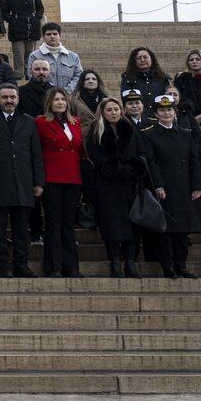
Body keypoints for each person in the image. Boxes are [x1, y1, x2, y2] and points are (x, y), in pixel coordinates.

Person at [138, 93, 201, 278]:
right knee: (165, 231)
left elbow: (194, 162)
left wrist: (197, 186)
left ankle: (181, 264)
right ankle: (168, 266)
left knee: (183, 230)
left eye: (169, 109)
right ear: (156, 113)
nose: (166, 113)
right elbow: (152, 163)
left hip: (185, 187)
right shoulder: (149, 135)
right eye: (162, 110)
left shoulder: (185, 134)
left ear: (175, 112)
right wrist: (158, 186)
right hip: (165, 189)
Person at [0, 83, 43, 277]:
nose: (9, 101)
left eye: (12, 97)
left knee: (21, 230)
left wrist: (38, 182)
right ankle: (2, 265)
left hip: (23, 183)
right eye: (5, 97)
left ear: (18, 99)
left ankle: (21, 265)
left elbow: (36, 154)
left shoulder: (28, 121)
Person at [84, 97, 140, 277]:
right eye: (109, 110)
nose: (113, 113)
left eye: (116, 109)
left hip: (129, 184)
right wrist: (116, 168)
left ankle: (130, 262)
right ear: (103, 112)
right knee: (112, 225)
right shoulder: (96, 131)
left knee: (132, 225)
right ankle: (115, 262)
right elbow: (95, 155)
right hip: (107, 185)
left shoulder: (129, 128)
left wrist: (130, 169)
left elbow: (138, 153)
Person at [35, 87, 85, 277]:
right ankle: (53, 266)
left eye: (63, 99)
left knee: (68, 223)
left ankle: (71, 266)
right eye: (56, 99)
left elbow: (80, 150)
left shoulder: (75, 122)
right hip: (51, 178)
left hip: (73, 177)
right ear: (49, 102)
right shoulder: (40, 122)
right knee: (54, 222)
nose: (60, 103)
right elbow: (37, 152)